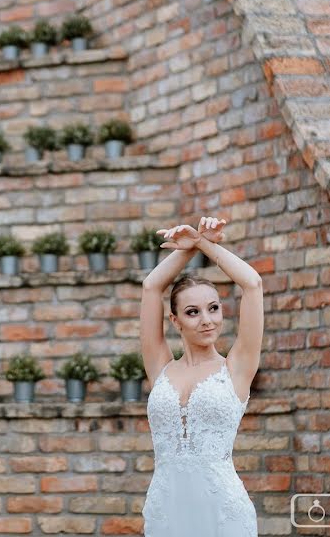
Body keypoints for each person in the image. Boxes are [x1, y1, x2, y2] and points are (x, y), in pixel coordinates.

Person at [139, 216, 263, 537]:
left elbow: (252, 284)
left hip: (222, 514)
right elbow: (151, 287)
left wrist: (207, 244)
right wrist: (187, 248)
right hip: (166, 513)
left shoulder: (236, 367)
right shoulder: (160, 367)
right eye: (193, 312)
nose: (206, 320)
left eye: (213, 308)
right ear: (175, 321)